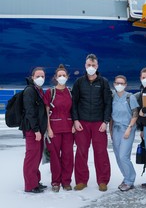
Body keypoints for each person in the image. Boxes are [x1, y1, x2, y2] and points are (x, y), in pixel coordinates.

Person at [72, 54, 112, 192]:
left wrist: (105, 121)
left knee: (101, 152)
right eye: (88, 65)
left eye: (93, 65)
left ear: (97, 66)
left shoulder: (103, 82)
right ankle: (81, 180)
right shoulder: (79, 82)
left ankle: (102, 180)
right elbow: (74, 103)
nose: (91, 68)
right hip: (82, 123)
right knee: (81, 152)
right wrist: (75, 120)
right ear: (85, 66)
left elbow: (108, 103)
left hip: (98, 123)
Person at [44, 64, 75, 192]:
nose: (62, 77)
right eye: (59, 75)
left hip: (68, 129)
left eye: (64, 75)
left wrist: (74, 124)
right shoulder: (50, 92)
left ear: (67, 77)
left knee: (68, 156)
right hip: (54, 129)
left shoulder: (70, 92)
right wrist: (48, 129)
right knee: (55, 157)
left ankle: (66, 181)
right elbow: (46, 112)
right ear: (55, 78)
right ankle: (56, 181)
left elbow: (74, 110)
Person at [109, 75, 139, 191]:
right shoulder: (112, 97)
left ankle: (130, 180)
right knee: (118, 156)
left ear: (126, 85)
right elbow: (111, 115)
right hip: (115, 129)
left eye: (121, 83)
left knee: (123, 156)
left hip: (127, 129)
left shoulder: (129, 97)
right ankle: (126, 177)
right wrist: (110, 130)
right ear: (114, 84)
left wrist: (129, 128)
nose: (119, 85)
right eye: (117, 83)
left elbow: (135, 114)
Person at [21, 67, 48, 193]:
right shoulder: (30, 91)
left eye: (42, 76)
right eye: (38, 76)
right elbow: (30, 112)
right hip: (33, 131)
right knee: (32, 157)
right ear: (32, 77)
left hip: (38, 131)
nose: (40, 78)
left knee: (37, 157)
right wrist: (36, 130)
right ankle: (30, 185)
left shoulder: (38, 90)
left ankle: (35, 181)